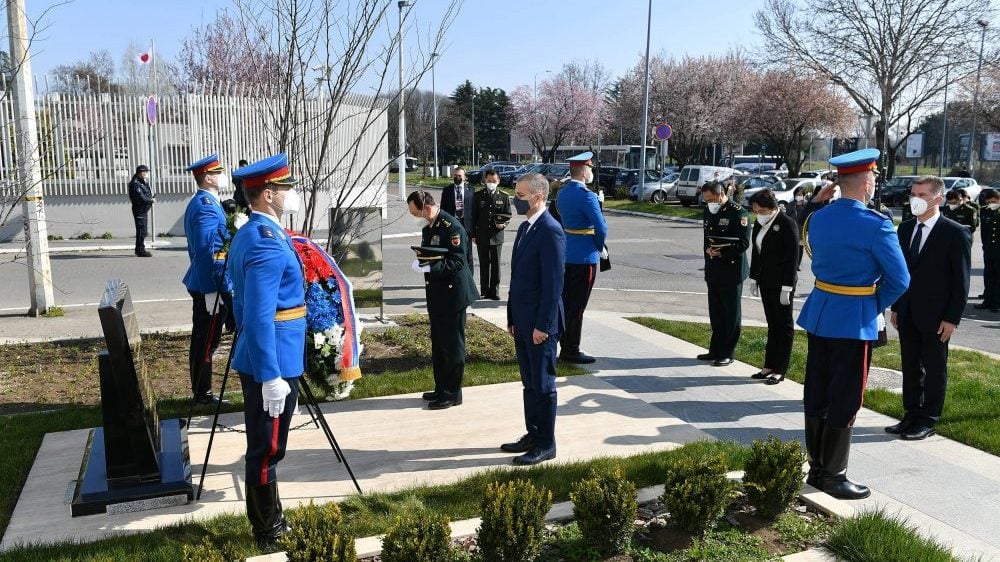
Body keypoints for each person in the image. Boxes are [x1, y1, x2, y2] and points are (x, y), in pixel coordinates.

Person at [798, 148, 909, 500]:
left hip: (820, 312)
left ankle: (817, 468)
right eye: (874, 178)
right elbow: (900, 279)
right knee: (846, 397)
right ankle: (833, 476)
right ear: (866, 183)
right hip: (853, 318)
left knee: (817, 391)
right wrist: (871, 303)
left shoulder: (818, 218)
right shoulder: (876, 224)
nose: (875, 183)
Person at [229, 153, 303, 549]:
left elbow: (240, 305)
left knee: (265, 444)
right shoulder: (266, 244)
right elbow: (257, 316)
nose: (291, 195)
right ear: (268, 195)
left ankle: (271, 517)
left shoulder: (255, 232)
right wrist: (270, 376)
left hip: (265, 353)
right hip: (271, 360)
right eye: (286, 189)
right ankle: (267, 530)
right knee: (267, 448)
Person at [888, 176, 971, 441]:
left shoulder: (955, 232)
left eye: (922, 195)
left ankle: (928, 419)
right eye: (913, 194)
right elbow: (902, 274)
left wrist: (952, 318)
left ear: (938, 198)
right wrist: (897, 307)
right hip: (908, 311)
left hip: (937, 316)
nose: (915, 199)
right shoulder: (905, 229)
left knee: (935, 367)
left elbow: (961, 281)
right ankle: (911, 414)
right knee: (910, 365)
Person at [502, 172, 566, 465]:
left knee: (543, 385)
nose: (515, 200)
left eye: (521, 195)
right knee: (529, 383)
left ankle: (546, 443)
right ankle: (533, 433)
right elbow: (518, 279)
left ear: (538, 196)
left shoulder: (550, 230)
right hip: (524, 321)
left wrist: (543, 326)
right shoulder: (526, 227)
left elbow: (553, 285)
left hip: (541, 325)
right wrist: (513, 317)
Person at [407, 190, 479, 409]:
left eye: (415, 211)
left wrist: (430, 267)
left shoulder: (452, 227)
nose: (414, 216)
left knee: (452, 346)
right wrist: (424, 263)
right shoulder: (430, 227)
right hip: (438, 295)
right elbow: (430, 253)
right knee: (440, 345)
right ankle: (441, 388)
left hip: (453, 295)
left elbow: (458, 262)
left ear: (426, 207)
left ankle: (452, 392)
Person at [182, 153, 233, 405]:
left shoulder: (207, 202)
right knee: (206, 340)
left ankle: (202, 391)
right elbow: (205, 251)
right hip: (210, 285)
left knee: (206, 338)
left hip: (209, 283)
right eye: (219, 172)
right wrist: (211, 290)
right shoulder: (205, 206)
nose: (223, 176)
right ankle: (203, 393)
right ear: (208, 177)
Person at [556, 151, 607, 364]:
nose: (592, 172)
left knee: (566, 302)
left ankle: (563, 343)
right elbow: (601, 228)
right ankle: (571, 349)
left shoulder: (562, 193)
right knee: (577, 306)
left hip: (566, 253)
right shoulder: (588, 196)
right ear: (584, 172)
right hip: (585, 257)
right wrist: (599, 247)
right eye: (591, 168)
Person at [748, 189, 799, 385]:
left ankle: (780, 369)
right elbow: (757, 253)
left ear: (772, 208)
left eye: (760, 210)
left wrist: (787, 286)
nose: (757, 214)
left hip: (782, 284)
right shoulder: (760, 224)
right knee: (772, 324)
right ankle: (769, 364)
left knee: (783, 325)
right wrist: (754, 278)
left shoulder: (787, 224)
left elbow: (792, 258)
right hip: (766, 281)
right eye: (755, 211)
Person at [699, 180, 750, 367]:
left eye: (711, 199)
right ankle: (715, 349)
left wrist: (722, 252)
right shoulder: (709, 210)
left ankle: (728, 352)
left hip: (731, 270)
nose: (708, 203)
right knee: (716, 312)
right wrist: (708, 251)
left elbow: (744, 243)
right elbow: (707, 236)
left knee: (731, 314)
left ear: (721, 194)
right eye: (706, 200)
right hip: (713, 269)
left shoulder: (738, 213)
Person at [470, 169, 511, 300]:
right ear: (485, 181)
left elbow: (508, 215)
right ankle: (484, 290)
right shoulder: (478, 196)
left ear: (498, 181)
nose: (491, 183)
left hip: (497, 236)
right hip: (481, 235)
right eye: (489, 181)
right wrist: (473, 234)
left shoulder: (504, 196)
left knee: (496, 264)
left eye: (494, 181)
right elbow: (473, 217)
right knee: (483, 264)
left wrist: (503, 225)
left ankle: (495, 291)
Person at [441, 166, 475, 272]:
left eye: (459, 176)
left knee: (468, 251)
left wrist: (475, 230)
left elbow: (474, 210)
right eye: (455, 175)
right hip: (453, 224)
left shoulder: (471, 190)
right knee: (453, 249)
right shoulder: (447, 190)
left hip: (467, 225)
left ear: (464, 177)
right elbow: (443, 210)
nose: (457, 177)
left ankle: (469, 274)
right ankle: (454, 273)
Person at [975, 189, 1000, 312]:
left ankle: (996, 302)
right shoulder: (985, 211)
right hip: (989, 249)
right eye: (989, 202)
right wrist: (985, 246)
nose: (991, 203)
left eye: (994, 201)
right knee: (989, 275)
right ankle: (987, 301)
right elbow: (984, 231)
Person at [127, 164, 154, 257]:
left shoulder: (141, 182)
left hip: (143, 209)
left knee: (143, 230)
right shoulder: (135, 183)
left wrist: (151, 197)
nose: (146, 173)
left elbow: (146, 193)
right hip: (139, 209)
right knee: (141, 230)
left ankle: (139, 249)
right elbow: (140, 197)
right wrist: (151, 200)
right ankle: (140, 250)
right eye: (145, 172)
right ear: (140, 172)